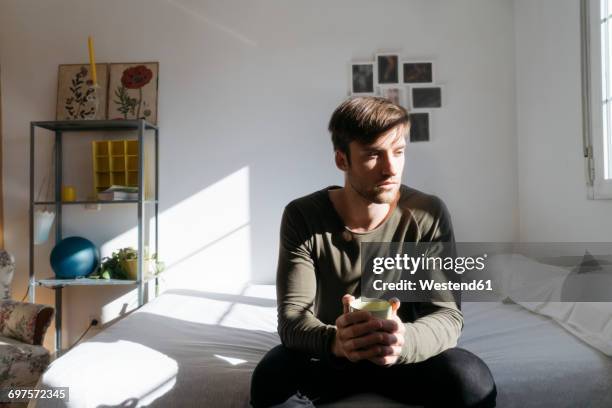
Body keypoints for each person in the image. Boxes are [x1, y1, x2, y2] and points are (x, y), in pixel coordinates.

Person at [250, 97, 496, 408]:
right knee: (269, 377)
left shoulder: (427, 213)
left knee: (472, 381)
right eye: (372, 155)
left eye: (398, 152)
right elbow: (292, 321)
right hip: (332, 358)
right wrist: (337, 341)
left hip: (407, 359)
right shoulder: (303, 216)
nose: (390, 168)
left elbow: (447, 315)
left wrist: (402, 341)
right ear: (342, 160)